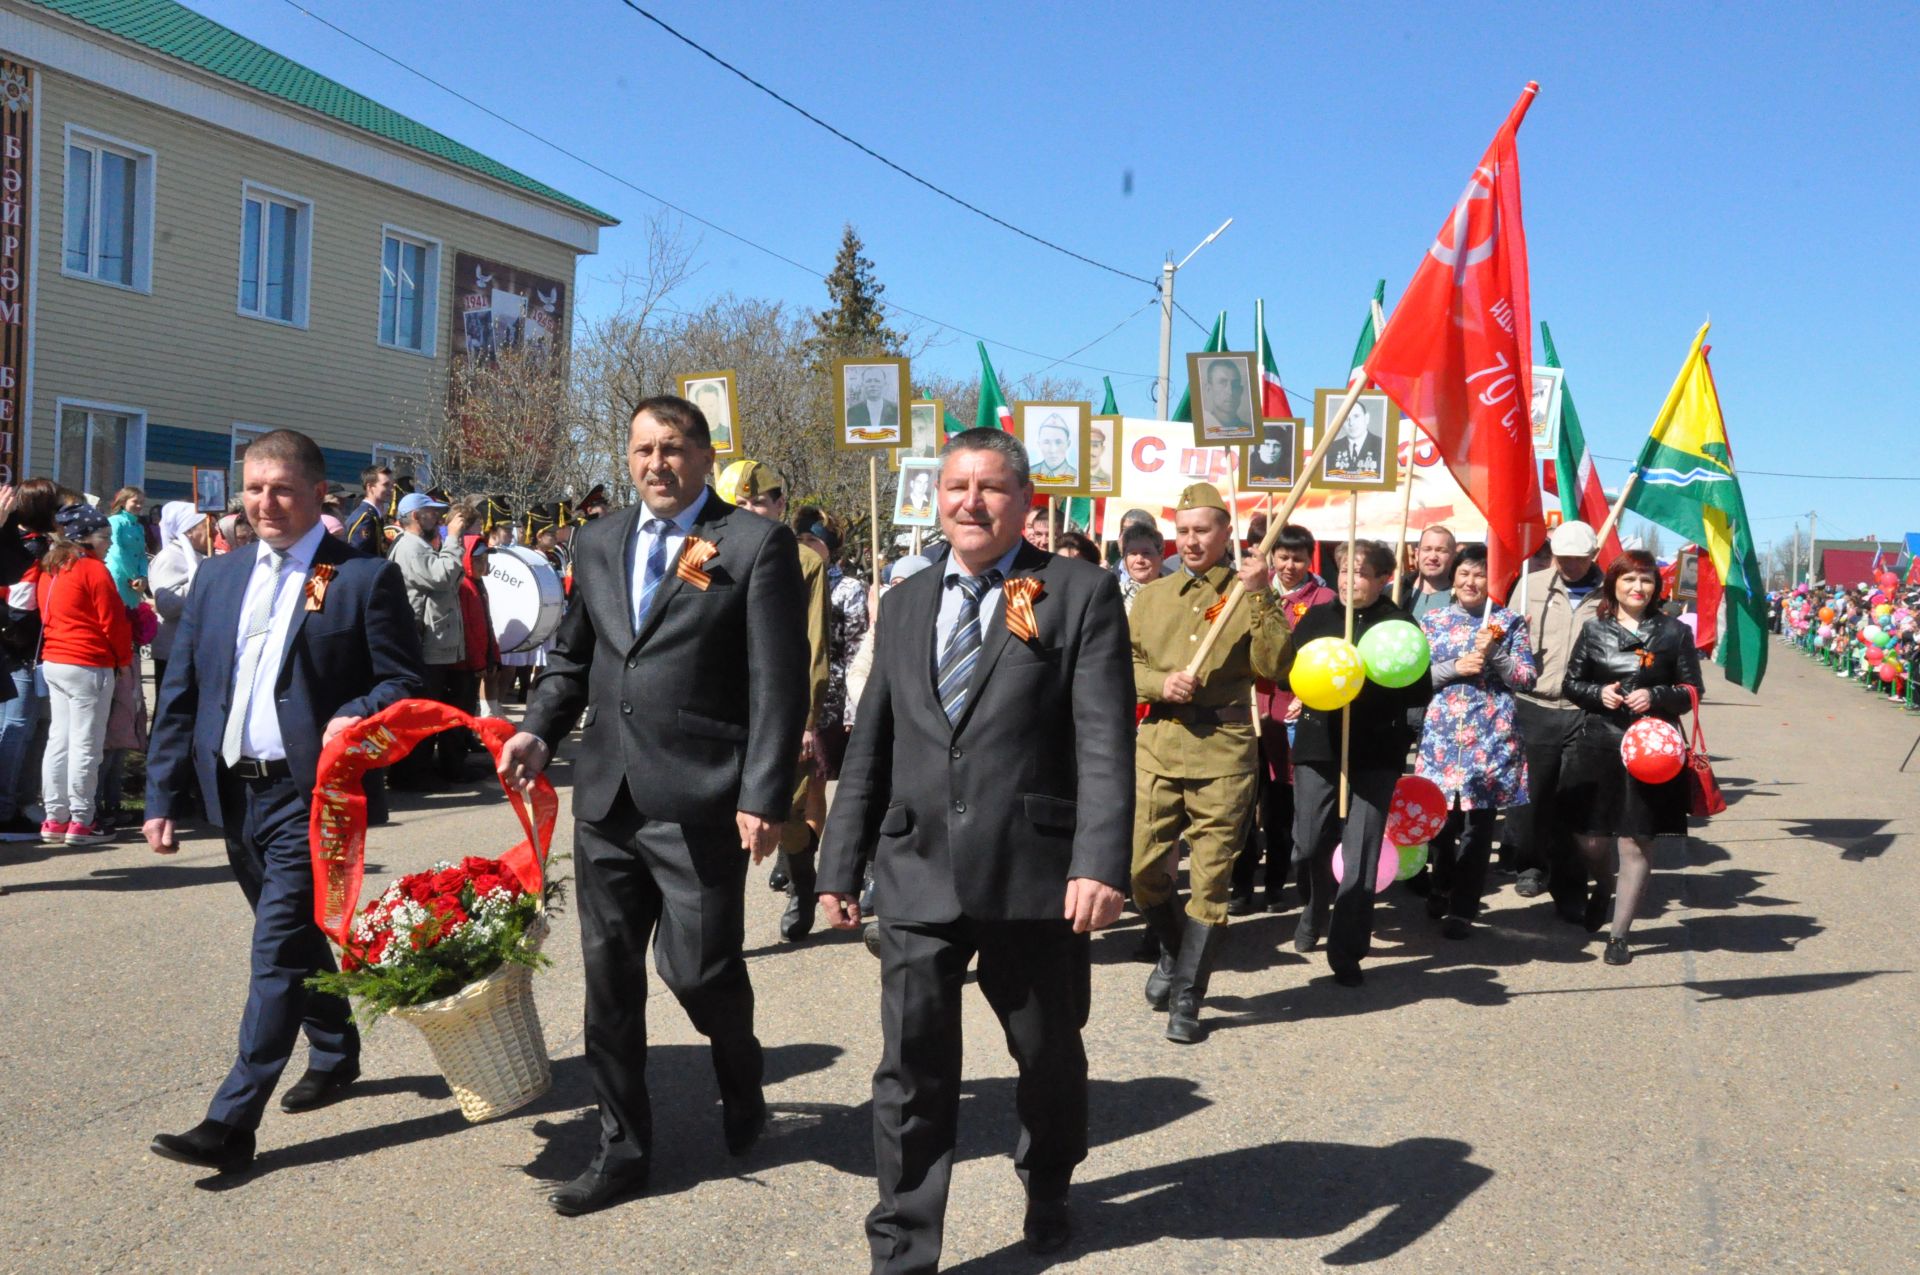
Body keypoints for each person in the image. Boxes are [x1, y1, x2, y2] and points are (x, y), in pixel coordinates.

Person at [816, 426, 1133, 1268]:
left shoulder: (1076, 590)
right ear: (938, 497)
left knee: (1048, 1056)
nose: (971, 501)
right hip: (917, 871)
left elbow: (1103, 738)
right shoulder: (910, 596)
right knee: (910, 1069)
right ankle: (905, 1244)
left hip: (1033, 876)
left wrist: (1100, 860)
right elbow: (871, 742)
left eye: (991, 487)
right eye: (957, 486)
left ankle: (1051, 1184)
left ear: (1026, 502)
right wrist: (837, 865)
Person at [498, 395, 809, 1217]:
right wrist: (536, 732)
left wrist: (763, 793)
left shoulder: (755, 544)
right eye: (642, 448)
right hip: (605, 796)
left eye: (673, 447)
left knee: (700, 969)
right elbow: (572, 659)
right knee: (608, 982)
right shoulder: (597, 540)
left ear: (706, 457)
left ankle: (741, 1073)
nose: (656, 463)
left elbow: (779, 682)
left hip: (700, 797)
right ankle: (623, 1149)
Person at [143, 429, 424, 1173]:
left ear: (315, 494)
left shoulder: (360, 578)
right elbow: (183, 693)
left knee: (272, 952)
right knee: (296, 940)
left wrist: (359, 708)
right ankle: (335, 1049)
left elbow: (405, 682)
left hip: (311, 795)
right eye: (254, 488)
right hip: (234, 794)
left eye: (282, 490)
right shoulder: (218, 576)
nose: (265, 503)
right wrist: (161, 793)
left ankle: (230, 1122)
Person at [1129, 482, 1289, 1042]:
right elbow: (1124, 663)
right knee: (1142, 872)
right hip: (1159, 744)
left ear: (1226, 533)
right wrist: (1158, 682)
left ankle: (1189, 997)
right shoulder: (1151, 596)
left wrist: (1263, 594)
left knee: (1211, 881)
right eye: (1184, 530)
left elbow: (1275, 665)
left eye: (1203, 530)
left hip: (1223, 749)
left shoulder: (1251, 592)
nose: (1191, 541)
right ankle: (1175, 953)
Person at [1285, 539, 1431, 986]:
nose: (1350, 581)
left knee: (1361, 851)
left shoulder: (1400, 624)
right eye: (1345, 570)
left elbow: (1419, 691)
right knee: (1308, 839)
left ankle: (1348, 948)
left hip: (1375, 751)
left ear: (1385, 578)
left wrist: (1374, 677)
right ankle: (1314, 907)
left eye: (1362, 573)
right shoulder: (1320, 617)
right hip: (1319, 743)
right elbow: (1286, 671)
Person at [1558, 549, 1703, 966]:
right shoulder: (1594, 630)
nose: (1638, 588)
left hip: (1652, 748)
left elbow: (1692, 691)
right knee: (1590, 838)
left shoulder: (1674, 632)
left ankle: (1619, 934)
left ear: (1657, 587)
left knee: (1636, 838)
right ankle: (1603, 885)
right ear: (1613, 585)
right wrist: (1597, 693)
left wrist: (1656, 695)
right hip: (1600, 740)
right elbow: (1572, 683)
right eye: (1629, 580)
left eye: (1646, 580)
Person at [720, 459, 830, 941]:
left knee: (786, 810)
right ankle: (722, 925)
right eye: (739, 502)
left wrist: (806, 719)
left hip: (778, 709)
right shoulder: (705, 553)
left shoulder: (803, 562)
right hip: (722, 709)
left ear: (780, 504)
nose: (748, 509)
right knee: (721, 818)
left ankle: (802, 884)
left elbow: (813, 643)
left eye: (758, 501)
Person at [1416, 544, 1536, 937]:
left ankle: (1463, 908)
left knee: (1479, 827)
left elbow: (1525, 678)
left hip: (1491, 738)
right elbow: (1413, 680)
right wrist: (1453, 668)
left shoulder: (1510, 622)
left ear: (1493, 580)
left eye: (1480, 574)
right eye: (1465, 573)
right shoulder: (1431, 621)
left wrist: (1494, 651)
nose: (1471, 581)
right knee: (1440, 822)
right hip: (1441, 739)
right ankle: (1440, 883)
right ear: (1453, 576)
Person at [1504, 520, 1607, 911]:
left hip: (1585, 709)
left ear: (1593, 556)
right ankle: (1530, 866)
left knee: (1573, 801)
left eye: (1577, 560)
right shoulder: (1531, 586)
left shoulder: (1607, 593)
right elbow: (1504, 639)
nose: (1568, 566)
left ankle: (1569, 885)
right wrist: (1513, 636)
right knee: (1531, 796)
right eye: (1562, 557)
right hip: (1536, 704)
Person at [1232, 523, 1335, 913]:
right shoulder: (1250, 591)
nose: (1289, 565)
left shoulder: (1324, 599)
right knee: (1241, 807)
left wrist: (1309, 697)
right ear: (1270, 557)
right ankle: (1241, 885)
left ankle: (1276, 883)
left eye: (1298, 557)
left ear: (1310, 559)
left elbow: (1329, 661)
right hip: (1248, 711)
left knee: (1280, 808)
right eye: (1283, 556)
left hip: (1292, 717)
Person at [34, 504, 133, 845]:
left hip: (55, 659)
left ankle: (55, 817)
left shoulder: (52, 568)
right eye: (104, 538)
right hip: (88, 661)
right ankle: (81, 819)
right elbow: (114, 622)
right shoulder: (92, 570)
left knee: (58, 740)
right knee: (86, 744)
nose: (109, 544)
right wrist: (123, 659)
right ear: (86, 539)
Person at [387, 492, 474, 784]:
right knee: (422, 710)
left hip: (432, 642)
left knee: (430, 708)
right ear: (415, 516)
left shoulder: (420, 545)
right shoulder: (411, 547)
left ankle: (421, 768)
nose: (438, 518)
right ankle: (411, 774)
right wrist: (453, 538)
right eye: (431, 513)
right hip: (423, 646)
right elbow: (442, 576)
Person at [0, 479, 59, 841]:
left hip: (28, 652)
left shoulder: (31, 545)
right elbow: (20, 604)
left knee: (28, 729)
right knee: (15, 730)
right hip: (19, 651)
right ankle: (5, 811)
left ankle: (17, 804)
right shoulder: (30, 548)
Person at [147, 502, 207, 698]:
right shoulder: (169, 558)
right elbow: (167, 605)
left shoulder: (200, 558)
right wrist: (204, 580)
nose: (213, 530)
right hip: (173, 652)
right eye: (207, 525)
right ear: (189, 531)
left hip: (196, 650)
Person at [104, 487, 150, 607]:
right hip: (118, 576)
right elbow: (116, 550)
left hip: (135, 582)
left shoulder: (139, 527)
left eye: (141, 503)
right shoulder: (114, 521)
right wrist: (133, 576)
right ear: (123, 502)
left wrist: (143, 576)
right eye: (135, 502)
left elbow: (142, 554)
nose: (139, 506)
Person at [1400, 525, 1457, 620]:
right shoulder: (1395, 591)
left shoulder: (1462, 599)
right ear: (1417, 554)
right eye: (1427, 549)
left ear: (1453, 557)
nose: (1433, 557)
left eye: (1441, 551)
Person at [343, 465, 392, 558]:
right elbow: (358, 557)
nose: (391, 489)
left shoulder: (374, 515)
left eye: (391, 485)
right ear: (370, 487)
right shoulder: (366, 518)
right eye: (386, 485)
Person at [1327, 401, 1383, 479]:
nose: (1351, 423)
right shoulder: (1331, 449)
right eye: (1346, 418)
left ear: (1366, 418)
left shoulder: (1382, 446)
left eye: (1356, 416)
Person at [1117, 523, 1164, 614]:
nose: (1139, 560)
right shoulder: (1114, 596)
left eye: (1146, 553)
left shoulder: (1176, 592)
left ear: (1161, 556)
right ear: (1124, 560)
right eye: (1133, 553)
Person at [1202, 359, 1252, 435]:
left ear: (1240, 391)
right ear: (1209, 389)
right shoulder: (1200, 430)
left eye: (1235, 384)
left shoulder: (1251, 431)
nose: (1230, 391)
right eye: (1223, 383)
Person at [847, 366, 899, 434]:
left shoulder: (896, 409)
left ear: (884, 383)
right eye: (868, 381)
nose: (873, 384)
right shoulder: (852, 411)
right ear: (863, 384)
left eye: (877, 381)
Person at [1031, 417, 1078, 486]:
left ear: (1068, 444)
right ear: (1039, 444)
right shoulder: (1028, 474)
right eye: (1046, 442)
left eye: (1058, 442)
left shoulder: (1077, 477)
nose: (1052, 450)